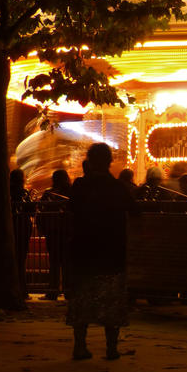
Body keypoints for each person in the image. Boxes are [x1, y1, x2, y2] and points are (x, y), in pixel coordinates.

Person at [67, 142, 136, 360]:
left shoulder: (80, 186)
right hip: (111, 250)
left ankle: (80, 345)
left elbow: (71, 210)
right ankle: (111, 347)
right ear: (109, 162)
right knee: (112, 300)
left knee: (82, 299)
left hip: (84, 250)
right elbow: (135, 210)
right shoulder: (117, 188)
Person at [38, 169, 72, 300]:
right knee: (67, 262)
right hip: (67, 231)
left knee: (54, 261)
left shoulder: (49, 193)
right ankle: (68, 290)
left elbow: (41, 208)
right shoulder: (70, 192)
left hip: (53, 231)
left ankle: (53, 290)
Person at [10, 169, 34, 298]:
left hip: (13, 226)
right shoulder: (23, 193)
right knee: (21, 259)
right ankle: (22, 289)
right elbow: (31, 210)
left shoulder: (7, 191)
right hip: (22, 227)